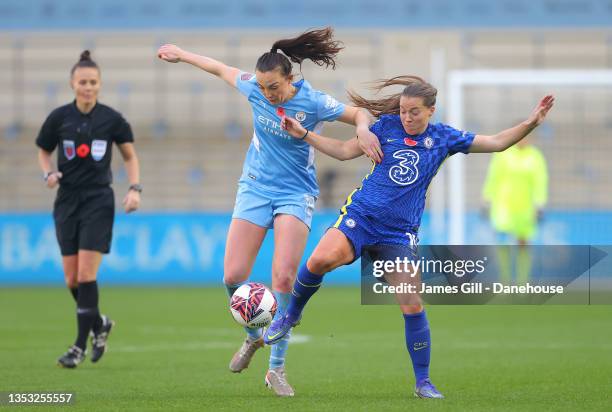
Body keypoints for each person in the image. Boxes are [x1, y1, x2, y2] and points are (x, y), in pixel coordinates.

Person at [264, 75, 555, 398]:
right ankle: (291, 316)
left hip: (398, 234)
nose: (406, 117)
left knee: (412, 304)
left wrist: (531, 122)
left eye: (414, 112)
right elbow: (346, 152)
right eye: (403, 110)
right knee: (318, 260)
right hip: (361, 217)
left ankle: (423, 382)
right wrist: (305, 134)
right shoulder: (385, 128)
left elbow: (497, 142)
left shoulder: (443, 138)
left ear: (431, 110)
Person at [157, 27, 382, 397]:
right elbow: (218, 68)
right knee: (232, 275)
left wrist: (364, 130)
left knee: (283, 279)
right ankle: (252, 335)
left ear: (289, 79)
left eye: (273, 87)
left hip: (295, 194)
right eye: (262, 87)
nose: (266, 94)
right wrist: (182, 53)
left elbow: (358, 113)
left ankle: (276, 370)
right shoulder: (254, 87)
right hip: (255, 188)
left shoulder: (312, 102)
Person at [36, 51, 142, 368]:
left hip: (98, 199)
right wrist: (48, 173)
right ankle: (100, 324)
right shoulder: (59, 118)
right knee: (71, 279)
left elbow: (129, 156)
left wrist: (134, 189)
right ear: (72, 83)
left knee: (85, 274)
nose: (88, 87)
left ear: (100, 85)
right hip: (67, 200)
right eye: (83, 82)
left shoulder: (112, 119)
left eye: (93, 82)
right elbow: (43, 149)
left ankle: (79, 347)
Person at [482, 135, 548, 287]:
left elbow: (541, 180)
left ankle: (522, 281)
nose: (523, 140)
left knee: (523, 242)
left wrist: (540, 203)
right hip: (503, 204)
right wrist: (487, 198)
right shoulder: (503, 153)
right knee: (502, 239)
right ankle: (504, 280)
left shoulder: (535, 156)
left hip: (526, 206)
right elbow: (493, 176)